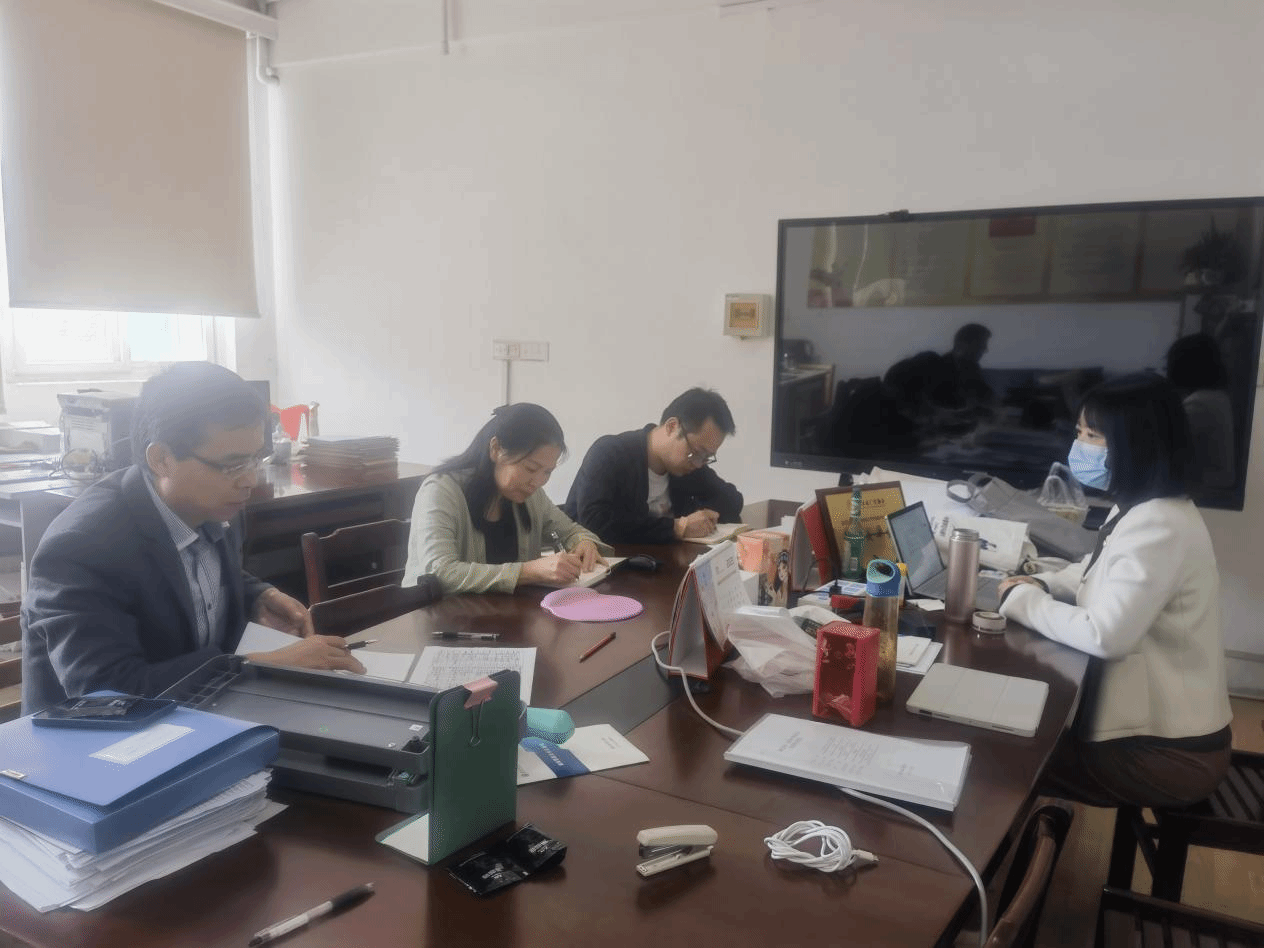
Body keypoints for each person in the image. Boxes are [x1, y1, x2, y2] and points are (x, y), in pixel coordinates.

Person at [21, 362, 364, 715]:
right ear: (162, 459)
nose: (249, 480)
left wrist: (258, 595)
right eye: (233, 465)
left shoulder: (216, 502)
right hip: (95, 739)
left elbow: (188, 569)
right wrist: (262, 665)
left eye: (256, 459)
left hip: (200, 715)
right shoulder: (81, 547)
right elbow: (107, 694)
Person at [997, 373, 1231, 808]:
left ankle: (1029, 844)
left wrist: (1024, 602)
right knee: (1012, 737)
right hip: (1154, 737)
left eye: (1093, 435)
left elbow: (1107, 635)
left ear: (1135, 443)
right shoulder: (1144, 507)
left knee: (1002, 757)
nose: (1079, 445)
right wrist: (1042, 582)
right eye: (1079, 432)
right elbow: (1096, 572)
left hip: (1167, 755)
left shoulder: (1159, 524)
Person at [402, 403, 610, 595]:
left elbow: (571, 530)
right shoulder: (441, 490)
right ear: (496, 449)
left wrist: (584, 543)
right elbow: (439, 573)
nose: (538, 482)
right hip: (435, 616)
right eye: (531, 468)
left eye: (547, 472)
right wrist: (528, 571)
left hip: (501, 614)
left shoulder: (531, 495)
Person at [564, 388, 744, 543]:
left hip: (663, 563)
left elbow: (732, 499)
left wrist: (701, 517)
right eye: (697, 452)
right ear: (672, 427)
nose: (698, 463)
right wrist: (676, 527)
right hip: (601, 565)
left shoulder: (688, 466)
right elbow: (595, 524)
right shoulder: (610, 454)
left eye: (707, 457)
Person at [1166, 332, 1236, 490]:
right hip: (1212, 483)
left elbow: (1165, 442)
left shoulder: (1200, 402)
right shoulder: (1217, 396)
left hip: (1208, 486)